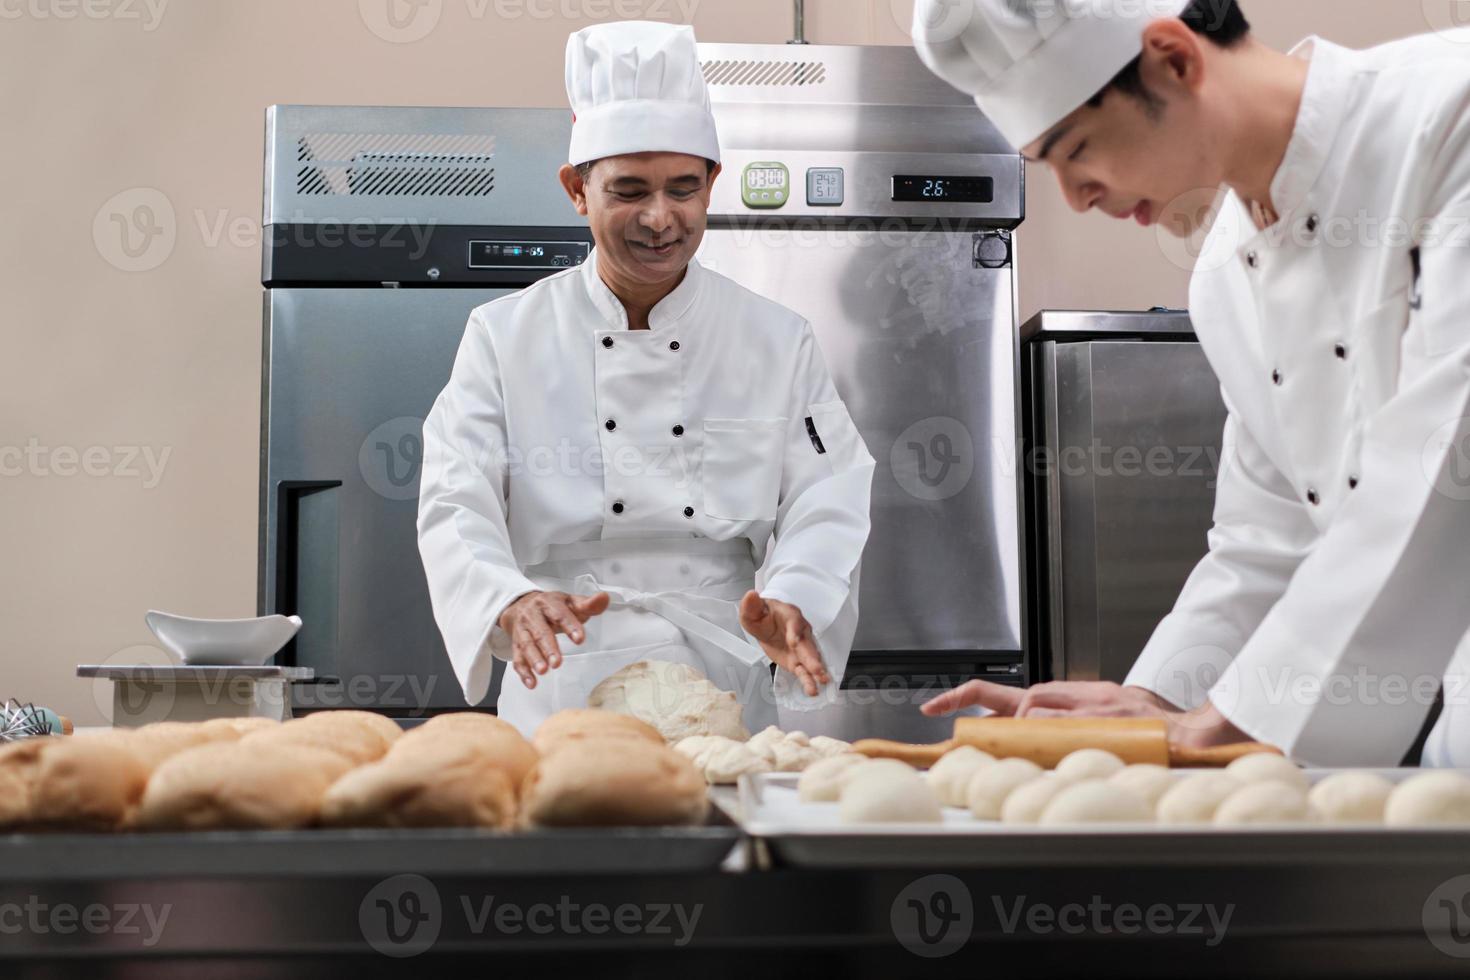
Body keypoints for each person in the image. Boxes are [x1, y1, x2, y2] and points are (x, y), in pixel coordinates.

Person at [912, 0, 1470, 766]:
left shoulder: (1450, 114)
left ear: (1173, 58)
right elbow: (1263, 542)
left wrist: (1225, 722)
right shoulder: (1224, 277)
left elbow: (1443, 470)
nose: (1077, 198)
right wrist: (1156, 704)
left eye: (1075, 151)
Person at [416, 20, 875, 737]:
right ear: (577, 190)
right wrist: (503, 598)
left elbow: (830, 489)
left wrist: (797, 594)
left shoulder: (777, 339)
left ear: (711, 184)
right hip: (563, 678)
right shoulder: (503, 336)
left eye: (684, 189)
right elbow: (454, 496)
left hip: (721, 681)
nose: (661, 219)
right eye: (629, 191)